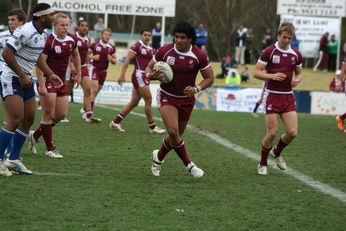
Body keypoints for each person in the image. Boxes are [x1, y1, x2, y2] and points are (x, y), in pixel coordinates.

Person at [145, 21, 214, 178]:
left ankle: (158, 158)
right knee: (173, 131)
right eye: (176, 37)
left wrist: (196, 88)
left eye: (183, 37)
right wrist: (150, 76)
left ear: (190, 39)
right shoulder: (165, 51)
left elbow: (209, 78)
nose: (179, 40)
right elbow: (148, 68)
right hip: (166, 96)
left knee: (174, 138)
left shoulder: (199, 55)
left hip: (187, 100)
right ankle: (189, 165)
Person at [0, 3, 62, 176]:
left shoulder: (43, 34)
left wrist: (50, 74)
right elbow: (7, 53)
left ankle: (13, 160)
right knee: (16, 118)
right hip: (12, 77)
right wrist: (21, 75)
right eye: (51, 15)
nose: (53, 18)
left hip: (24, 79)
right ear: (42, 17)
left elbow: (37, 59)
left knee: (28, 119)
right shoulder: (25, 31)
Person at [28, 13, 81, 158]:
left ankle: (35, 135)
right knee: (48, 114)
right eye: (62, 25)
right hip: (48, 80)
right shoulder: (49, 41)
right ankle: (50, 148)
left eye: (67, 25)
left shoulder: (72, 39)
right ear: (54, 26)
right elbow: (39, 64)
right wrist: (41, 84)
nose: (65, 28)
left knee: (60, 115)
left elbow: (76, 55)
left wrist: (79, 74)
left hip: (62, 82)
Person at [254, 22, 303, 175]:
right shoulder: (269, 51)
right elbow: (256, 72)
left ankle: (276, 152)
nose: (286, 40)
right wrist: (271, 76)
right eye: (284, 37)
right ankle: (262, 163)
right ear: (278, 35)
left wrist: (297, 80)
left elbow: (299, 72)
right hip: (272, 95)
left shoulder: (296, 54)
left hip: (287, 96)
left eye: (289, 38)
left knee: (292, 132)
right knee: (273, 132)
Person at [109, 29, 165, 134]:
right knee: (148, 99)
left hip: (145, 76)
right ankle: (152, 127)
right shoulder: (137, 46)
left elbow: (151, 64)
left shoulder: (150, 49)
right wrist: (122, 74)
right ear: (141, 36)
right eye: (145, 35)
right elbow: (127, 60)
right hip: (139, 74)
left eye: (149, 35)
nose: (147, 37)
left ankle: (116, 122)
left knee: (134, 102)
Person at [0, 8, 26, 159]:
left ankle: (10, 152)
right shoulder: (2, 36)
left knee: (18, 117)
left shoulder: (26, 37)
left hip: (20, 77)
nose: (10, 23)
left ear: (21, 21)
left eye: (13, 20)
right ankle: (8, 152)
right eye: (9, 20)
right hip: (5, 77)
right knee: (10, 115)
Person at [70, 19, 99, 123]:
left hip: (82, 67)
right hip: (71, 67)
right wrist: (71, 65)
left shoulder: (87, 39)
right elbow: (69, 52)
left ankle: (88, 115)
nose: (84, 27)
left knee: (88, 90)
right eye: (82, 25)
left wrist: (87, 64)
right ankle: (58, 113)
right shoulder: (73, 37)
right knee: (66, 91)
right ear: (77, 27)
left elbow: (86, 52)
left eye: (86, 26)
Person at [89, 28, 116, 119]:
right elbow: (86, 55)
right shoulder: (95, 45)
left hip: (104, 72)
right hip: (95, 69)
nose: (107, 36)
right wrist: (92, 57)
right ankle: (89, 113)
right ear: (102, 35)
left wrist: (111, 59)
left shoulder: (111, 48)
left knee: (96, 91)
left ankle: (86, 107)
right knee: (95, 89)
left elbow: (115, 61)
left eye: (109, 35)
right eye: (105, 34)